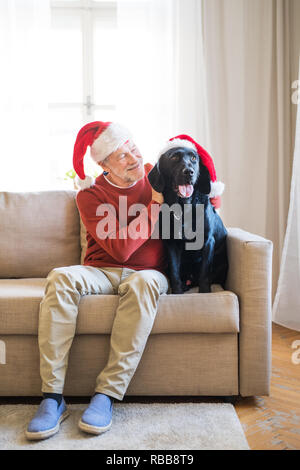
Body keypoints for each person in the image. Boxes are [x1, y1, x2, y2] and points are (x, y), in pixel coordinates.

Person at [26, 121, 221, 440]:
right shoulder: (90, 196)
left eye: (133, 148)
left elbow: (199, 195)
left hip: (148, 274)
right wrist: (155, 206)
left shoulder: (157, 175)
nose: (132, 158)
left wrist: (210, 199)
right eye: (121, 155)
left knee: (145, 284)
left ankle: (106, 395)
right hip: (99, 271)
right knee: (61, 277)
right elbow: (121, 248)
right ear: (103, 165)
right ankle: (52, 398)